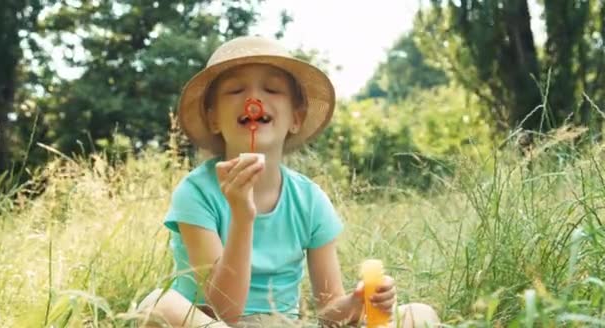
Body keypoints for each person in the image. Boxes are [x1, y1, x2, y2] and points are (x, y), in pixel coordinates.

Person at [138, 36, 439, 328]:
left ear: (296, 117)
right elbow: (225, 311)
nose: (253, 99)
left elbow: (328, 311)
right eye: (234, 90)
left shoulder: (309, 200)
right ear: (213, 118)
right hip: (211, 323)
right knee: (157, 304)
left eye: (272, 89)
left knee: (420, 315)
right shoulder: (196, 193)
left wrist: (357, 303)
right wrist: (243, 217)